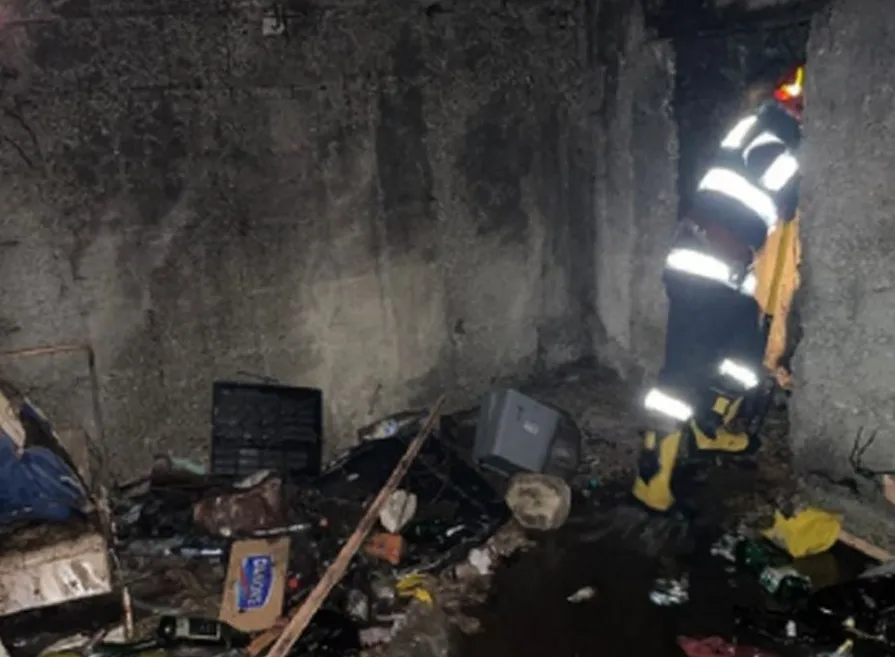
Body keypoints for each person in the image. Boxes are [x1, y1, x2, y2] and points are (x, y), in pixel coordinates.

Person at [632, 64, 805, 514]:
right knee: (681, 375)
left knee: (746, 351)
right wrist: (803, 170)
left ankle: (710, 426)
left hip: (725, 270)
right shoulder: (771, 132)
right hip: (703, 267)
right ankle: (651, 478)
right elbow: (779, 178)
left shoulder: (759, 126)